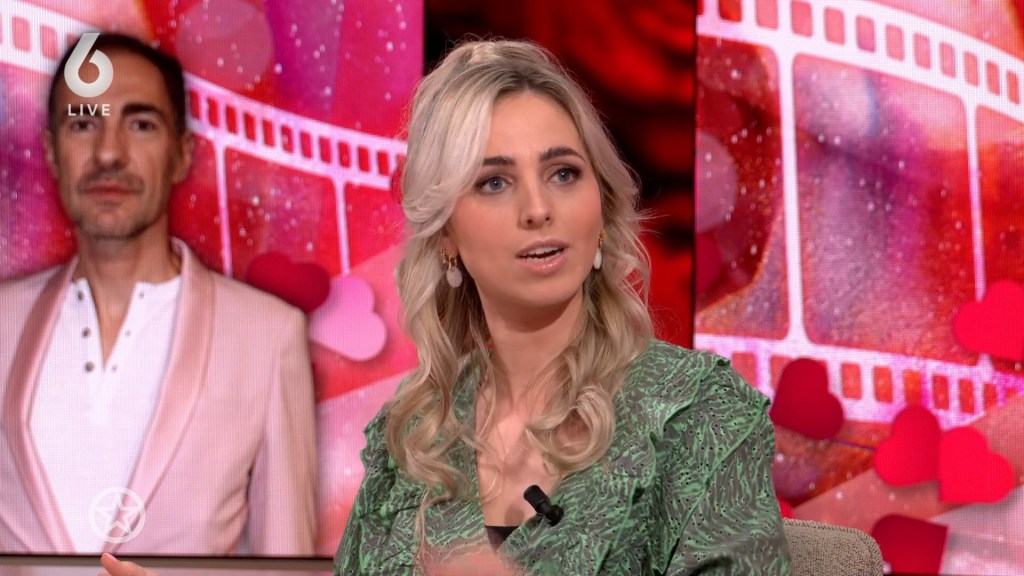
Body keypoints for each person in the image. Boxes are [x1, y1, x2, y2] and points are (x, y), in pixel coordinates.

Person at [100, 38, 789, 575]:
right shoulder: (411, 440)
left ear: (602, 214)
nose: (538, 208)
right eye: (494, 182)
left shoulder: (700, 416)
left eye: (563, 173)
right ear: (447, 238)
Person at [0, 33, 317, 556]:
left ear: (181, 154)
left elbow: (285, 561)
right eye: (83, 123)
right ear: (52, 152)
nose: (108, 153)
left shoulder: (267, 334)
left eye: (140, 124)